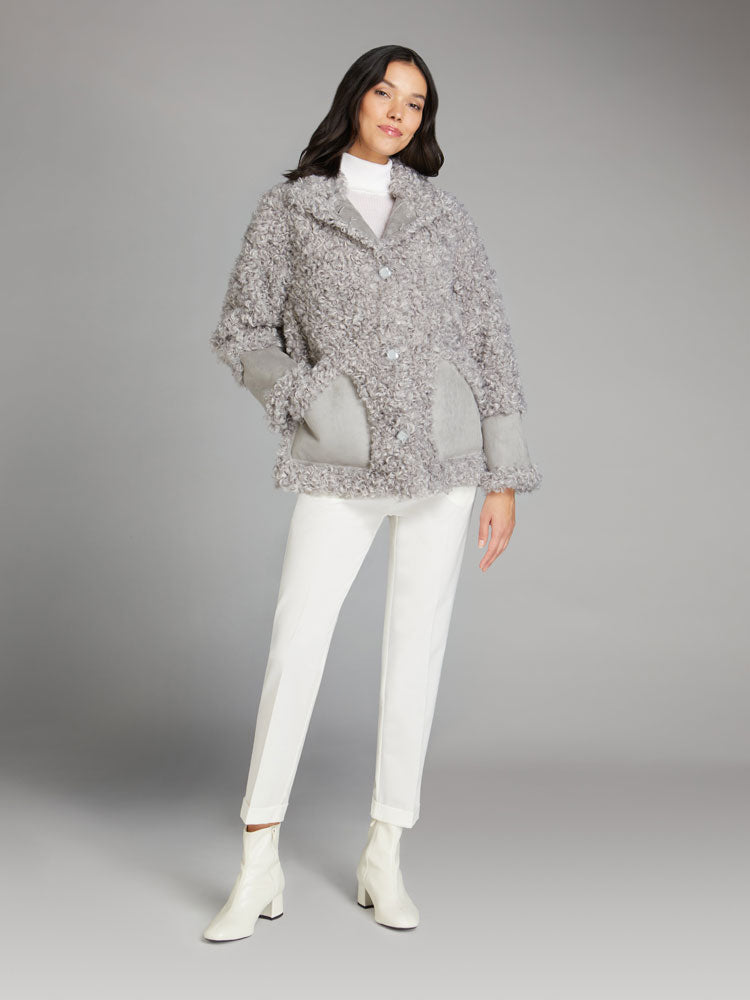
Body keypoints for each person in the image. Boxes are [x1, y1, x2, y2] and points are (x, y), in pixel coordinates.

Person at [203, 44, 542, 941]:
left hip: (445, 460)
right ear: (355, 99)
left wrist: (504, 473)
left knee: (414, 652)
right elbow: (242, 330)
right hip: (340, 463)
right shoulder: (291, 209)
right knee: (297, 646)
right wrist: (311, 398)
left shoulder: (443, 216)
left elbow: (490, 338)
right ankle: (258, 863)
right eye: (385, 93)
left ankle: (384, 854)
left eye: (415, 102)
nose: (398, 111)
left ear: (424, 121)